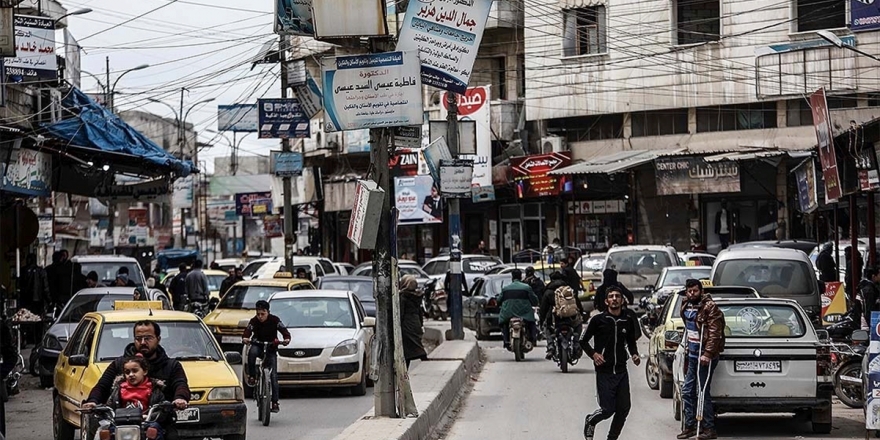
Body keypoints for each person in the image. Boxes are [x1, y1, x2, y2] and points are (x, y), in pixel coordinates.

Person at [82, 320, 190, 440]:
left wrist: (180, 398)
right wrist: (93, 401)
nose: (143, 342)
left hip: (158, 422)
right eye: (138, 338)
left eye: (148, 338)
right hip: (120, 423)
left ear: (158, 339)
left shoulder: (172, 366)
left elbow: (180, 384)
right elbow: (102, 386)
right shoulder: (119, 364)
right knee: (103, 434)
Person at [581, 287, 640, 440]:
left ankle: (612, 438)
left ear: (622, 300)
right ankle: (591, 420)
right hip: (604, 371)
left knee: (624, 408)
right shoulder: (598, 320)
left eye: (617, 296)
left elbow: (631, 341)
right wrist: (594, 354)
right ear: (606, 301)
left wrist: (634, 354)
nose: (614, 299)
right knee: (607, 410)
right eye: (611, 297)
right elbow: (583, 341)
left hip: (621, 371)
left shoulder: (627, 320)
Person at [678, 279, 725, 440]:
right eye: (689, 291)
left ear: (701, 291)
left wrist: (708, 353)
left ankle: (709, 429)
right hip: (692, 354)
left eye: (695, 291)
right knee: (687, 390)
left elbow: (714, 334)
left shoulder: (710, 307)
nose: (692, 294)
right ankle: (690, 425)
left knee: (702, 391)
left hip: (704, 355)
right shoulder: (685, 303)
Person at [242, 300, 291, 413]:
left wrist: (286, 339)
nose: (260, 317)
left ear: (268, 312)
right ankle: (252, 376)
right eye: (258, 314)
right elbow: (247, 331)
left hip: (270, 348)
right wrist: (245, 337)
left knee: (273, 376)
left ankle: (274, 402)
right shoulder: (254, 321)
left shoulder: (275, 320)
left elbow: (284, 331)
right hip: (258, 346)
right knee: (252, 353)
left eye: (262, 314)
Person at [107, 354, 169, 440]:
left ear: (145, 371)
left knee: (154, 429)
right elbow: (110, 407)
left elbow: (161, 409)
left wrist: (149, 416)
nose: (131, 375)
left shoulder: (154, 389)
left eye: (135, 371)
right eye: (127, 372)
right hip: (122, 423)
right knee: (107, 431)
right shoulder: (119, 389)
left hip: (146, 423)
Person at [538, 274, 585, 360]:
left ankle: (551, 346)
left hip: (555, 320)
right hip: (571, 319)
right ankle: (576, 344)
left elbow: (543, 309)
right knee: (578, 326)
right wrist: (581, 313)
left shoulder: (548, 292)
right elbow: (577, 304)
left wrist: (542, 320)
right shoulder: (569, 290)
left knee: (548, 329)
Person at [498, 269, 539, 350]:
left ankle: (506, 340)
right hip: (525, 314)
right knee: (531, 323)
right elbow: (535, 300)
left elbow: (499, 300)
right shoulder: (526, 288)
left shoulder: (506, 288)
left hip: (508, 314)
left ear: (512, 277)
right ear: (521, 277)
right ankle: (532, 339)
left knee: (504, 324)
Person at [399, 275, 427, 368]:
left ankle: (423, 357)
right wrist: (420, 324)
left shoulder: (403, 297)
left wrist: (398, 325)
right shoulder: (417, 296)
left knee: (408, 347)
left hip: (407, 325)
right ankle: (422, 358)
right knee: (413, 344)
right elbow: (420, 312)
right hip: (416, 323)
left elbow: (401, 313)